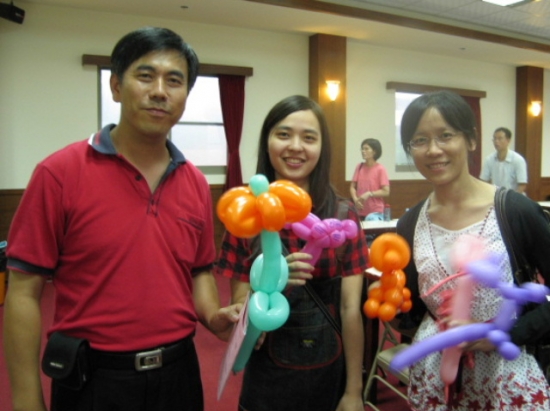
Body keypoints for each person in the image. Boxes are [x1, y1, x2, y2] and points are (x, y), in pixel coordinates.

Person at [3, 27, 240, 411]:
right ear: (116, 86)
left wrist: (213, 316)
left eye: (174, 81)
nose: (160, 91)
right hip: (93, 379)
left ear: (185, 96)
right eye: (145, 76)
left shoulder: (195, 182)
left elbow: (199, 271)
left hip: (178, 374)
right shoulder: (59, 173)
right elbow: (24, 292)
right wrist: (26, 400)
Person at [395, 90, 550, 410]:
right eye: (420, 140)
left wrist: (506, 332)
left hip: (505, 378)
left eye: (446, 135)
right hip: (435, 376)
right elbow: (410, 311)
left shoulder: (515, 211)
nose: (433, 150)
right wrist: (393, 301)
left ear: (471, 140)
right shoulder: (410, 223)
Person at [216, 95, 369, 411]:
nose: (295, 146)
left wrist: (354, 391)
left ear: (322, 147)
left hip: (329, 374)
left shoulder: (342, 216)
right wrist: (270, 284)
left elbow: (350, 310)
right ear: (267, 142)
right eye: (283, 134)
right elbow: (240, 305)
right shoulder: (245, 215)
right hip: (267, 380)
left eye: (309, 138)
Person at [350, 138, 390, 221]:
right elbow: (352, 187)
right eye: (362, 149)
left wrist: (369, 194)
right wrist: (355, 200)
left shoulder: (380, 169)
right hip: (360, 210)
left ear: (374, 151)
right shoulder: (359, 166)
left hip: (375, 211)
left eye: (366, 149)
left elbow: (386, 191)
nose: (363, 151)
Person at [479, 127, 528, 194]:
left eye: (500, 138)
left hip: (514, 197)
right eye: (494, 138)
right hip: (495, 197)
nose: (496, 141)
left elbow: (522, 185)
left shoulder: (518, 160)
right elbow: (484, 181)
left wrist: (513, 198)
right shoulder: (489, 160)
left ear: (508, 140)